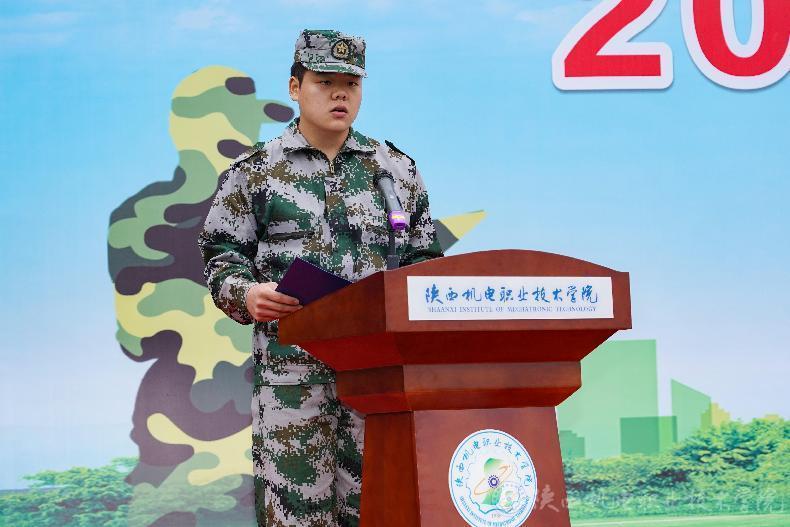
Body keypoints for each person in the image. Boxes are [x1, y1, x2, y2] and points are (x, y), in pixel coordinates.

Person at [199, 29, 444, 526]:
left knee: (381, 509)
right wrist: (247, 294)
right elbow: (221, 255)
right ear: (295, 87)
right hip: (292, 379)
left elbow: (424, 263)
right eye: (324, 82)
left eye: (350, 85)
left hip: (378, 377)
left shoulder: (395, 171)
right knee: (295, 517)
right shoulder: (256, 171)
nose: (339, 95)